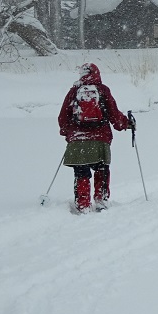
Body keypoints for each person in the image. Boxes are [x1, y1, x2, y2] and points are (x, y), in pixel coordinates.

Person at [57, 62, 131, 213]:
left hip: (78, 140)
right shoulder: (103, 90)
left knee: (81, 173)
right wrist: (127, 124)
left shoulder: (74, 91)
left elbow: (63, 118)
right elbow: (115, 117)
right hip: (100, 139)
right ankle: (101, 200)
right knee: (101, 169)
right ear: (97, 74)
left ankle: (83, 205)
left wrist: (69, 134)